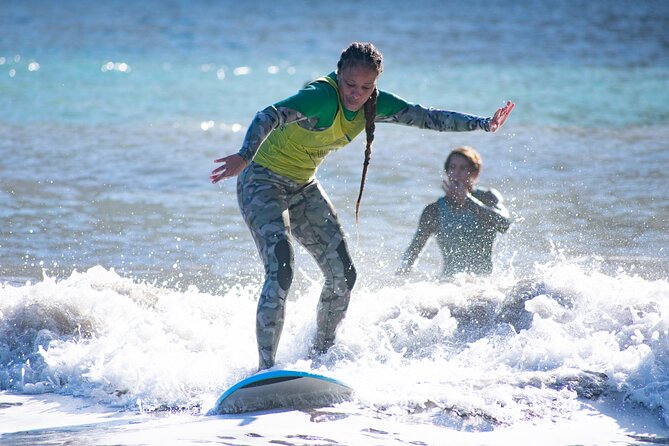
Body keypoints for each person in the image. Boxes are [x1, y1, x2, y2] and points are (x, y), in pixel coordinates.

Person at [210, 42, 514, 370]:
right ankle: (265, 370)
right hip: (261, 182)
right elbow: (268, 115)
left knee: (344, 276)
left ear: (375, 85)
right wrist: (244, 155)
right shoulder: (320, 97)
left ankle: (320, 357)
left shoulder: (374, 104)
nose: (356, 94)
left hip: (302, 187)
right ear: (338, 75)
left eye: (366, 87)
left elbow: (426, 117)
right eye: (350, 85)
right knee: (281, 270)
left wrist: (483, 124)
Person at [397, 146, 511, 278]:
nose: (457, 173)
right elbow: (413, 251)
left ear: (475, 173)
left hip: (486, 286)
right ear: (447, 172)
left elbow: (504, 224)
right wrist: (401, 276)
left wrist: (468, 201)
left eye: (463, 168)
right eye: (452, 168)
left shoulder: (488, 197)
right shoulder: (434, 210)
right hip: (451, 287)